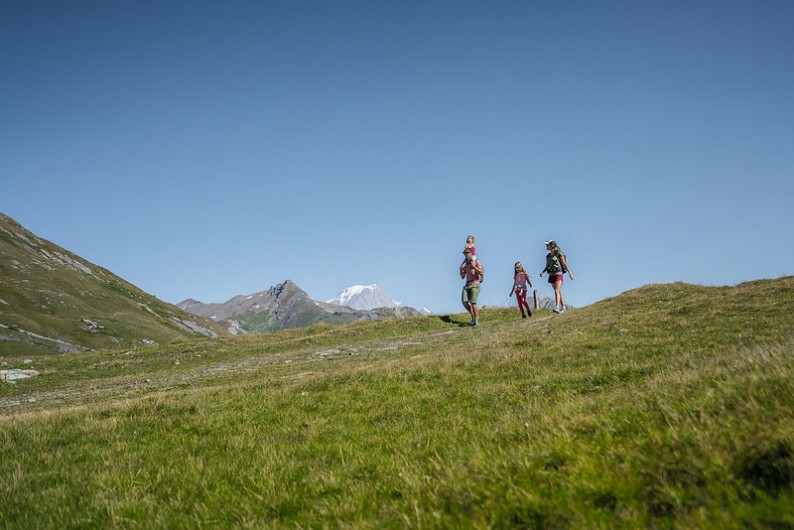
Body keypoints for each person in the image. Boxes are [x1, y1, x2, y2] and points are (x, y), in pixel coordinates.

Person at [540, 239, 574, 313]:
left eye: (548, 245)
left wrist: (570, 273)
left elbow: (564, 264)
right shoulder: (548, 256)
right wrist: (543, 272)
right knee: (558, 291)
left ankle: (557, 307)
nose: (546, 246)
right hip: (551, 274)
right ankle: (564, 307)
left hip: (559, 273)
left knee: (556, 290)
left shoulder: (559, 253)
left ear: (552, 246)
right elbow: (547, 266)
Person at [459, 248, 483, 326]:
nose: (466, 255)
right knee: (464, 302)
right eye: (465, 253)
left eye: (467, 253)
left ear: (471, 254)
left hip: (475, 284)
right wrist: (461, 269)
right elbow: (462, 277)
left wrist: (474, 267)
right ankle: (473, 315)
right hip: (467, 284)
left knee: (473, 302)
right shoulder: (465, 264)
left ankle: (476, 320)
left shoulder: (476, 261)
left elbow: (481, 272)